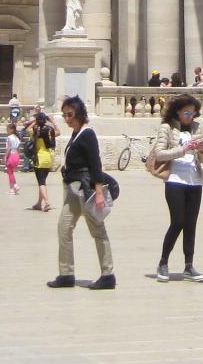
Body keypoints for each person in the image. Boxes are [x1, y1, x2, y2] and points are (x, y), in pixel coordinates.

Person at [46, 95, 115, 290]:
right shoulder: (76, 134)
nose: (66, 118)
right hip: (72, 191)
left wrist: (99, 192)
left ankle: (108, 274)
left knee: (97, 230)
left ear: (79, 114)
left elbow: (95, 164)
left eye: (70, 114)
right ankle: (66, 273)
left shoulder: (88, 134)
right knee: (64, 228)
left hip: (85, 190)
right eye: (64, 114)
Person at [151, 94, 203, 283]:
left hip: (195, 180)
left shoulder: (197, 128)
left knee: (191, 223)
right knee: (178, 221)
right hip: (175, 179)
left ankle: (188, 266)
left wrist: (201, 150)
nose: (190, 116)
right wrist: (182, 150)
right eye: (186, 112)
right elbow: (159, 154)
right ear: (177, 111)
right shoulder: (167, 128)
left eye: (192, 112)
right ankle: (163, 262)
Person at [30, 107, 57, 212]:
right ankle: (38, 203)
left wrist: (34, 122)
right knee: (43, 182)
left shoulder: (35, 131)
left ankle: (46, 202)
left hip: (39, 159)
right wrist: (53, 121)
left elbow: (26, 130)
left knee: (41, 183)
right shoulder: (50, 130)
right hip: (48, 159)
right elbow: (58, 132)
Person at [5, 121, 22, 195]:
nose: (7, 131)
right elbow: (18, 149)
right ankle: (12, 188)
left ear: (11, 129)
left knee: (10, 173)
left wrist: (5, 156)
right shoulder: (17, 138)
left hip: (11, 155)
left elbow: (8, 148)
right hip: (16, 155)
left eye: (8, 129)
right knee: (11, 172)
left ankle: (14, 186)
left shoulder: (9, 137)